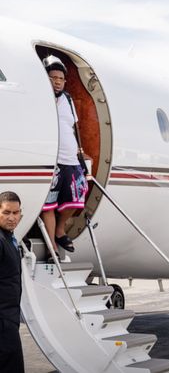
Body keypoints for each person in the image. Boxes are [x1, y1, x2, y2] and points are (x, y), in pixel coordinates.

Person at [41, 55, 89, 263]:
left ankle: (60, 230)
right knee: (49, 205)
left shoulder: (68, 100)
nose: (57, 81)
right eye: (53, 78)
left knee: (77, 198)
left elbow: (73, 128)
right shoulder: (40, 99)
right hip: (52, 160)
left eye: (60, 78)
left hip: (71, 159)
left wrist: (81, 154)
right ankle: (52, 245)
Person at [0, 191, 25, 373]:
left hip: (9, 318)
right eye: (6, 213)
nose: (11, 218)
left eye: (15, 213)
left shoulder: (9, 238)